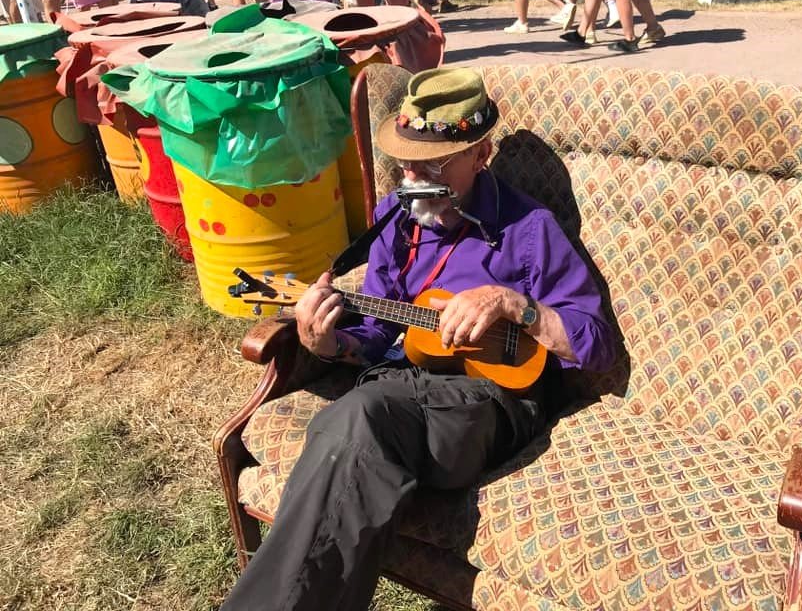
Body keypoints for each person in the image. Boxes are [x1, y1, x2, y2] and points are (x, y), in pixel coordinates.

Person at [217, 67, 616, 611]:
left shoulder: (528, 230)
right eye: (405, 158)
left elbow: (595, 344)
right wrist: (325, 343)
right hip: (401, 387)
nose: (411, 174)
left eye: (431, 163)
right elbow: (377, 332)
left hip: (494, 400)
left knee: (360, 417)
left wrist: (512, 304)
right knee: (350, 424)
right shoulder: (393, 221)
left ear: (480, 155)